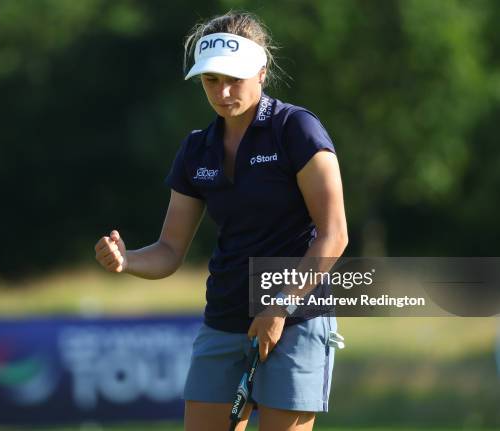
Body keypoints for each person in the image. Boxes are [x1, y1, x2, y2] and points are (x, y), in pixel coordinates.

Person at [95, 11, 348, 431]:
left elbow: (334, 234)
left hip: (297, 318)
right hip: (225, 317)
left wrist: (279, 307)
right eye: (212, 80)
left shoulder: (296, 130)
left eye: (235, 78)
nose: (224, 91)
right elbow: (170, 250)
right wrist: (127, 260)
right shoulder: (197, 149)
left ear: (262, 72)